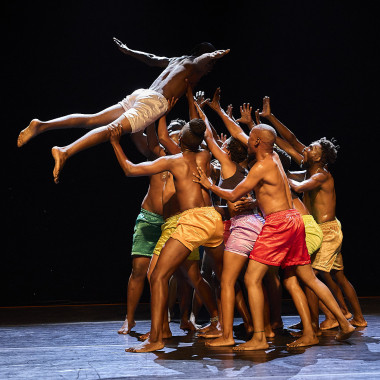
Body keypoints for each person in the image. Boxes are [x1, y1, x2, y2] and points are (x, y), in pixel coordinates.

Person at [194, 123, 356, 350]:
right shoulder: (275, 160)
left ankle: (259, 337)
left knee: (251, 278)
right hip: (294, 220)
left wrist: (209, 184)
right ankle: (338, 325)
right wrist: (255, 201)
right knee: (302, 278)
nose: (247, 140)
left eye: (250, 137)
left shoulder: (261, 166)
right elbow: (273, 193)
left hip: (278, 224)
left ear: (257, 142)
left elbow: (232, 194)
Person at [17, 39, 229, 183]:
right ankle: (65, 151)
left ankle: (42, 125)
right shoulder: (197, 65)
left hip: (142, 93)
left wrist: (128, 51)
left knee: (93, 119)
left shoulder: (178, 61)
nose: (210, 69)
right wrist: (213, 55)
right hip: (154, 102)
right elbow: (202, 60)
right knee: (112, 129)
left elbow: (151, 58)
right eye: (210, 64)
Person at [109, 118, 225, 353]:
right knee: (223, 279)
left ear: (180, 139)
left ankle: (157, 337)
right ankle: (219, 326)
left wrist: (114, 142)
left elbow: (130, 169)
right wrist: (194, 103)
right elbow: (203, 133)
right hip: (213, 218)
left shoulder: (173, 161)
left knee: (158, 276)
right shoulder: (204, 157)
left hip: (190, 221)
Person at [258, 96, 367, 329]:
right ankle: (347, 314)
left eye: (311, 149)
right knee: (335, 275)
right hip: (322, 229)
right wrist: (269, 118)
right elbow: (291, 140)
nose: (305, 150)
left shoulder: (321, 175)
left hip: (328, 231)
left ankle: (330, 318)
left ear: (319, 157)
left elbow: (297, 187)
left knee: (312, 275)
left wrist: (274, 173)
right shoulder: (309, 168)